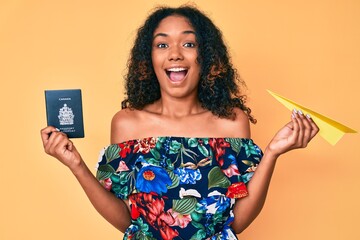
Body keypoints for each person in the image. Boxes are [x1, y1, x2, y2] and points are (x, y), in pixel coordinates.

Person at [40, 5, 319, 240]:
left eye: (188, 43)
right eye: (162, 44)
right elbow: (127, 221)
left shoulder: (231, 122)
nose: (175, 53)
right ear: (149, 59)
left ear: (206, 57)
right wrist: (75, 164)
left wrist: (272, 152)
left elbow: (236, 223)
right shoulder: (127, 124)